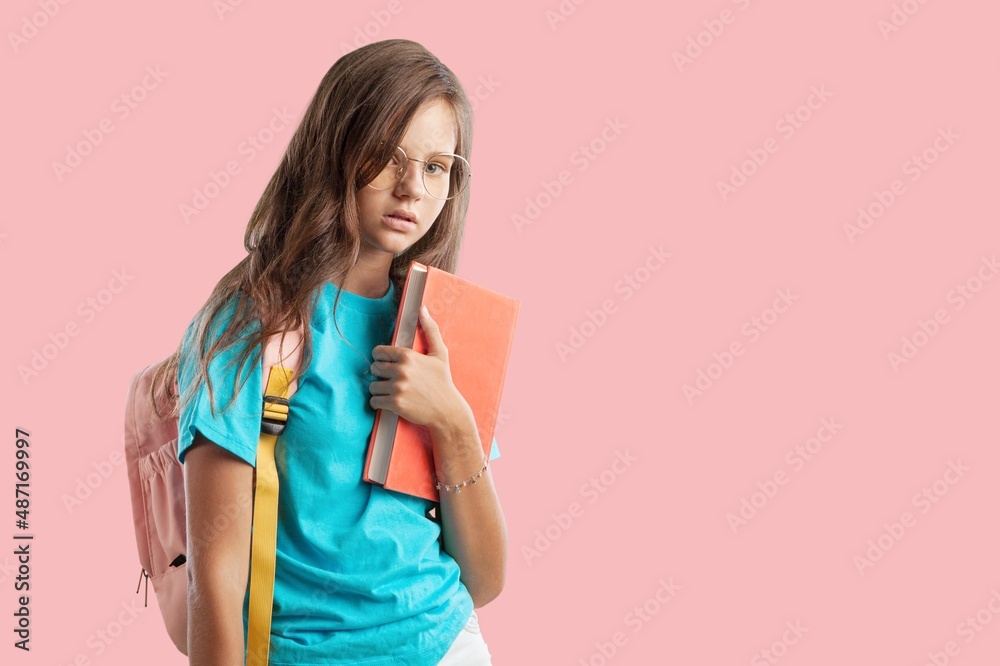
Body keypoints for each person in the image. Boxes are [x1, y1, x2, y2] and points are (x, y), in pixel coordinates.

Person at [150, 38, 506, 665]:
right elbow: (218, 576)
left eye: (436, 166)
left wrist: (450, 418)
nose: (411, 189)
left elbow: (485, 579)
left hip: (448, 646)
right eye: (385, 156)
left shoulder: (441, 322)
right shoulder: (251, 321)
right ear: (335, 151)